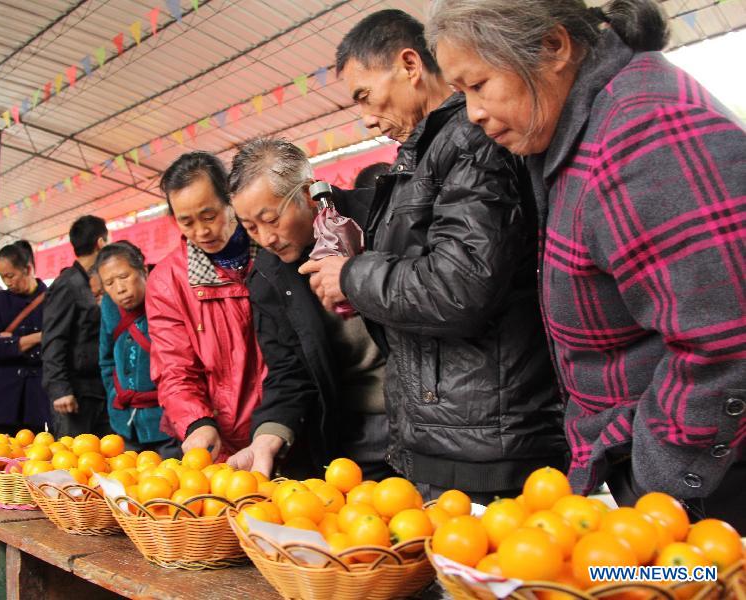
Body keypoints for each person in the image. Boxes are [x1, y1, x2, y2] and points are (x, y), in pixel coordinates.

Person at [427, 0, 746, 527]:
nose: (474, 113)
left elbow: (729, 335)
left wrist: (656, 478)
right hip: (664, 473)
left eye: (479, 85)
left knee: (683, 583)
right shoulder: (577, 132)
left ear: (554, 47)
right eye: (461, 94)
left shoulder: (643, 132)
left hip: (708, 490)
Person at [300, 10, 566, 503]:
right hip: (454, 428)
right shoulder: (425, 152)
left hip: (486, 440)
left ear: (408, 64)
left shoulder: (468, 142)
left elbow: (461, 285)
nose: (366, 118)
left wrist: (353, 274)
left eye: (365, 95)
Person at [227, 138, 393, 480]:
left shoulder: (380, 216)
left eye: (271, 219)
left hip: (427, 421)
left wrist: (355, 278)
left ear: (306, 193)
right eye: (250, 227)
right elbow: (289, 371)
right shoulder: (267, 279)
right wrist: (269, 435)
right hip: (353, 438)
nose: (266, 238)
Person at [145, 152, 265, 461]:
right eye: (187, 222)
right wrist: (196, 422)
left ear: (230, 199)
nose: (201, 231)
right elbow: (174, 368)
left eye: (209, 215)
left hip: (289, 425)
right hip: (219, 443)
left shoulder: (270, 251)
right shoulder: (166, 281)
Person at [96, 241, 177, 455]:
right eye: (109, 283)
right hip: (124, 423)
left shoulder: (168, 298)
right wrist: (115, 393)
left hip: (168, 424)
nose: (120, 289)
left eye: (124, 277)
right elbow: (106, 359)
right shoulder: (108, 306)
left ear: (143, 270)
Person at [42, 216, 111, 438]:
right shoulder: (67, 285)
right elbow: (53, 338)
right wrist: (59, 389)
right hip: (74, 395)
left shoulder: (88, 282)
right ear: (101, 242)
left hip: (97, 390)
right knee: (73, 463)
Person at [0, 241, 51, 434]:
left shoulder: (52, 299)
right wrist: (38, 337)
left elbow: (56, 344)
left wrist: (12, 340)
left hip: (36, 399)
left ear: (28, 268)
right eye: (3, 277)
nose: (8, 283)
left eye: (11, 275)